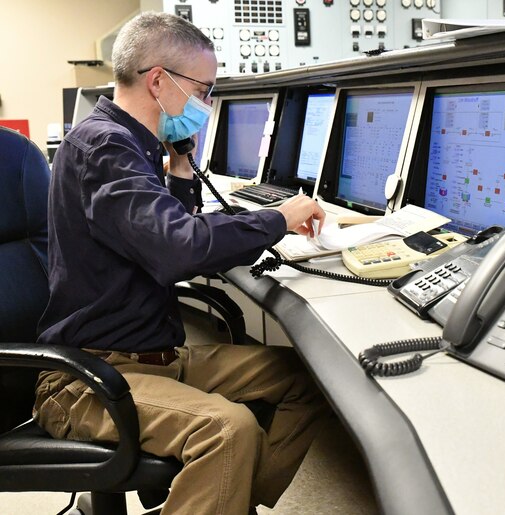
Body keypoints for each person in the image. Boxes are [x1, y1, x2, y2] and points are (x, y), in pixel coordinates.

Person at [33, 11, 329, 515]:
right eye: (204, 90)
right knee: (227, 430)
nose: (206, 104)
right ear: (158, 81)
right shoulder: (105, 146)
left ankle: (224, 501)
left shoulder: (129, 144)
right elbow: (178, 248)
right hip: (89, 379)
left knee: (304, 379)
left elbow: (161, 224)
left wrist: (181, 161)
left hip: (149, 357)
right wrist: (278, 218)